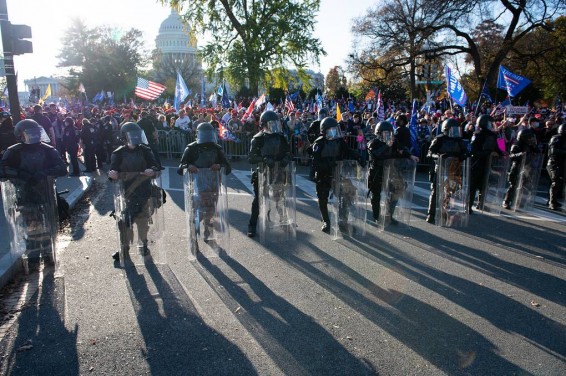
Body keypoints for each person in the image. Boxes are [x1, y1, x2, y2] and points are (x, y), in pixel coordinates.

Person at [0, 119, 67, 262]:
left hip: (45, 194)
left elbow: (62, 168)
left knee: (46, 225)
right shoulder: (13, 152)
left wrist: (43, 173)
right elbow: (2, 169)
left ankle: (49, 252)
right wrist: (20, 174)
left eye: (35, 133)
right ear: (20, 135)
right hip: (25, 194)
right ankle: (33, 255)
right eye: (29, 133)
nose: (33, 136)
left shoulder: (47, 150)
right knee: (30, 226)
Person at [109, 122, 160, 261]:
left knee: (143, 221)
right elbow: (113, 171)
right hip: (126, 193)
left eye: (137, 134)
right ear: (124, 137)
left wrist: (153, 170)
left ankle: (143, 245)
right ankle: (124, 249)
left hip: (144, 191)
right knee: (124, 222)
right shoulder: (118, 153)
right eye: (132, 134)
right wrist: (112, 174)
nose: (135, 137)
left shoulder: (145, 150)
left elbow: (156, 166)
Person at [177, 122, 232, 238]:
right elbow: (180, 167)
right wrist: (188, 167)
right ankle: (194, 234)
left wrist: (219, 166)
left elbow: (227, 168)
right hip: (197, 186)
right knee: (197, 212)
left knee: (211, 210)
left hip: (213, 185)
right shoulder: (191, 148)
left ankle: (208, 228)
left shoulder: (217, 149)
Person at [312, 117, 364, 233]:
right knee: (323, 198)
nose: (334, 131)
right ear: (324, 130)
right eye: (331, 129)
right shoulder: (319, 143)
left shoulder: (339, 141)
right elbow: (315, 163)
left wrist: (358, 157)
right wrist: (328, 163)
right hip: (323, 175)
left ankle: (343, 221)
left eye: (335, 129)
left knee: (346, 194)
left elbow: (348, 150)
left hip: (337, 173)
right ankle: (326, 221)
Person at [246, 110, 291, 238]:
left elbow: (288, 152)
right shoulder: (258, 139)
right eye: (271, 124)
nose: (274, 126)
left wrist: (286, 158)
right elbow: (251, 157)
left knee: (279, 198)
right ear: (264, 124)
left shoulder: (280, 137)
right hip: (263, 174)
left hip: (278, 173)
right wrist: (264, 159)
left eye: (275, 123)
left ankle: (283, 221)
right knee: (259, 200)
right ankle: (252, 225)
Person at [367, 121, 419, 223]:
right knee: (376, 194)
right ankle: (376, 216)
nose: (388, 135)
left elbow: (402, 149)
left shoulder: (393, 142)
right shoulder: (373, 143)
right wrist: (386, 145)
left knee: (399, 188)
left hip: (391, 170)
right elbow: (376, 155)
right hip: (377, 171)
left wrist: (410, 155)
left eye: (389, 133)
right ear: (379, 133)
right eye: (385, 133)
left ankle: (389, 214)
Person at [425, 118, 470, 224]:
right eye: (453, 130)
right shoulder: (439, 139)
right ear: (446, 129)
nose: (455, 132)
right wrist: (440, 156)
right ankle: (431, 215)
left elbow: (466, 152)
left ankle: (443, 213)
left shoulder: (459, 141)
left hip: (454, 170)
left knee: (449, 193)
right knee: (436, 192)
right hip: (441, 168)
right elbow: (429, 153)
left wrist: (463, 156)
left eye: (456, 130)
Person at [469, 114, 504, 213]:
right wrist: (489, 153)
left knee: (485, 185)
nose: (492, 125)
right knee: (473, 186)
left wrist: (502, 152)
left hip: (488, 164)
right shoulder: (477, 135)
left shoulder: (494, 135)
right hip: (477, 164)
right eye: (490, 123)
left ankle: (481, 204)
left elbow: (500, 148)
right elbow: (474, 152)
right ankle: (469, 206)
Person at [502, 129, 540, 209]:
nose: (530, 139)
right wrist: (521, 154)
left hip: (526, 167)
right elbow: (511, 156)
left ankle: (520, 202)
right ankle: (506, 201)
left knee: (525, 185)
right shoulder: (516, 144)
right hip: (516, 167)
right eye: (529, 138)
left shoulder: (530, 145)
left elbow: (538, 152)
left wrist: (534, 145)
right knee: (513, 185)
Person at [546, 123, 565, 210]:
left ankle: (553, 200)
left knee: (559, 182)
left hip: (561, 163)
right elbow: (553, 151)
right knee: (555, 182)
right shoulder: (556, 138)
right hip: (553, 163)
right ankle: (551, 202)